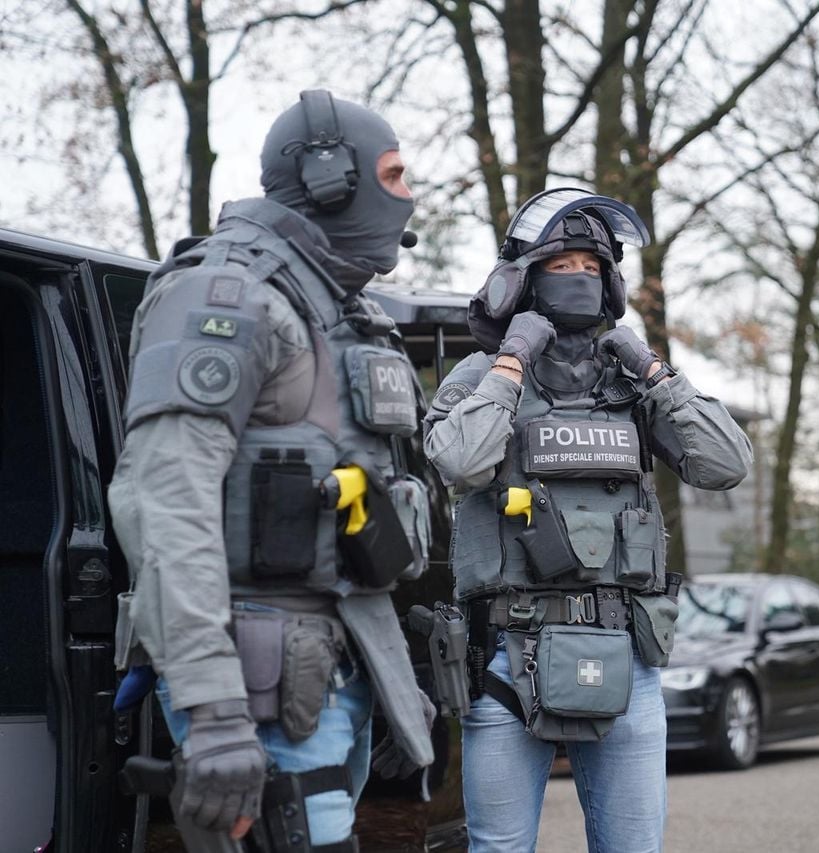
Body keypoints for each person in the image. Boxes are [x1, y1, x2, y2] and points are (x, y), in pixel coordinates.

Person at [108, 90, 435, 852]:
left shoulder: (336, 312)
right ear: (331, 180)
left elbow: (353, 517)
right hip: (255, 686)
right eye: (393, 174)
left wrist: (392, 683)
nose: (408, 195)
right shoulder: (224, 295)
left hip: (331, 670)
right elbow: (165, 503)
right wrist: (215, 709)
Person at [423, 189, 753, 852]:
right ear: (521, 279)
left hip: (627, 661)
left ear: (611, 285)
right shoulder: (482, 376)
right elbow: (457, 462)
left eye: (591, 266)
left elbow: (727, 462)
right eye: (562, 262)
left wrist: (657, 372)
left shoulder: (631, 386)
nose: (578, 276)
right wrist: (511, 363)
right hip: (506, 665)